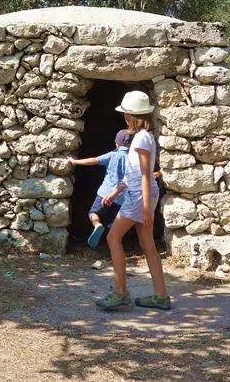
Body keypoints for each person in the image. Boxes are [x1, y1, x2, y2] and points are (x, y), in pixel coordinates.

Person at [95, 90, 171, 311]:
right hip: (138, 194)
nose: (124, 118)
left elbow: (146, 174)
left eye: (126, 114)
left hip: (139, 197)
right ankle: (161, 296)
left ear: (131, 116)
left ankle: (120, 292)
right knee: (147, 245)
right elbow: (134, 173)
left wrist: (146, 209)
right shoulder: (144, 138)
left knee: (112, 237)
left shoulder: (140, 139)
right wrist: (116, 191)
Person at [68, 130, 132, 248]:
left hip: (105, 193)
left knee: (93, 212)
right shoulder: (133, 158)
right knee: (114, 222)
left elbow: (94, 160)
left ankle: (97, 225)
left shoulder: (112, 155)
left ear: (116, 143)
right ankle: (112, 245)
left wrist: (75, 161)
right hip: (122, 197)